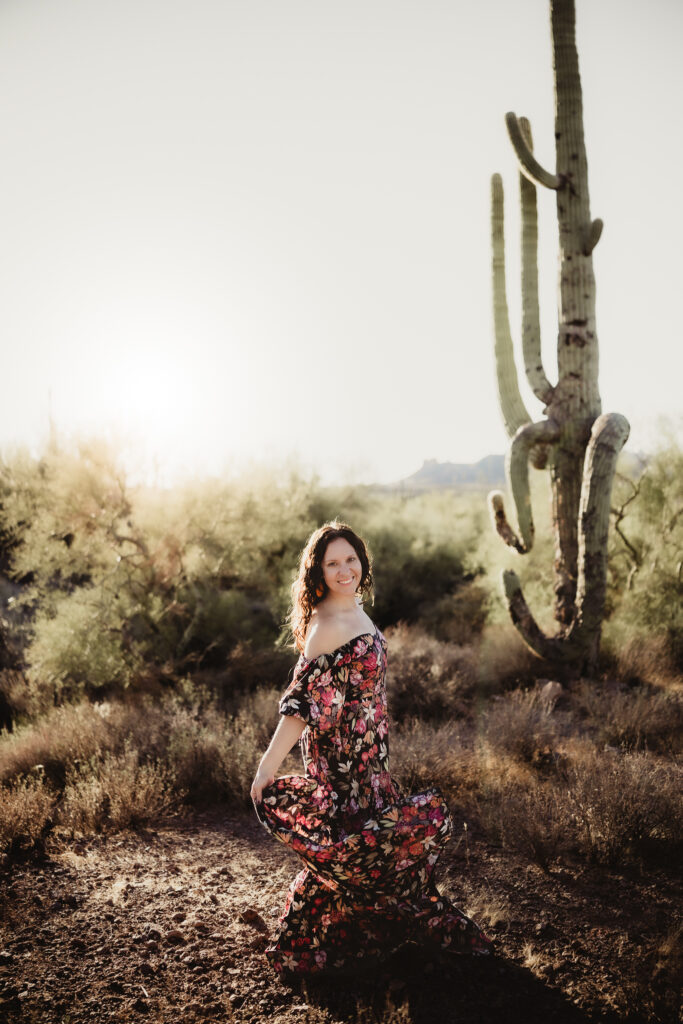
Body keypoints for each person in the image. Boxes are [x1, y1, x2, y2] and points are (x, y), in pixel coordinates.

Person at [251, 521, 492, 977]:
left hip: (369, 754)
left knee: (366, 846)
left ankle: (364, 935)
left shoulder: (354, 608)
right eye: (332, 563)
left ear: (362, 562)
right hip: (340, 759)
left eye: (351, 560)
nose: (344, 570)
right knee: (354, 846)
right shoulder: (326, 624)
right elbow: (300, 704)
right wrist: (267, 768)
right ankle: (312, 946)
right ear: (318, 571)